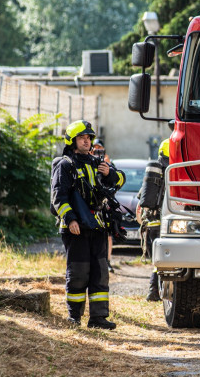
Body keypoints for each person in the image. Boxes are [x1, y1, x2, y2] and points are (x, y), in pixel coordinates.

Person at [50, 120, 125, 329]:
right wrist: (70, 219)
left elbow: (120, 180)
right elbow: (59, 197)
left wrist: (109, 173)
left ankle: (98, 318)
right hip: (76, 228)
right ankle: (74, 317)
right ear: (72, 140)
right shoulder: (65, 165)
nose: (87, 141)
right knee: (78, 273)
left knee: (100, 272)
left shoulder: (96, 162)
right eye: (83, 137)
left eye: (89, 137)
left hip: (98, 226)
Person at [137, 138, 170, 301]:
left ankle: (154, 292)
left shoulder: (154, 172)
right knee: (162, 261)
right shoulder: (174, 171)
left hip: (151, 224)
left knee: (157, 261)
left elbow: (141, 198)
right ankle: (154, 293)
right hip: (164, 224)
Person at [91, 138, 117, 274]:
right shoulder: (87, 163)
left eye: (100, 150)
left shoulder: (108, 164)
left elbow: (116, 181)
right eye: (95, 149)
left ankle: (107, 261)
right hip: (93, 204)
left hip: (106, 204)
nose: (97, 152)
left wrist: (108, 166)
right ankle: (96, 261)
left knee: (108, 234)